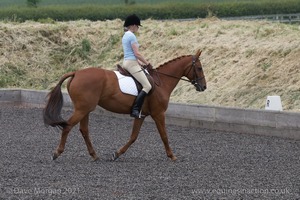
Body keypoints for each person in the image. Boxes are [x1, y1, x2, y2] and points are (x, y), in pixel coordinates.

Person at [122, 14, 152, 118]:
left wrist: (141, 64)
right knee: (147, 86)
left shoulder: (125, 35)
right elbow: (137, 54)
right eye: (138, 26)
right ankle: (135, 109)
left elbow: (129, 53)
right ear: (134, 25)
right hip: (131, 64)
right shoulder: (131, 36)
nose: (138, 28)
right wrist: (147, 63)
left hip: (126, 62)